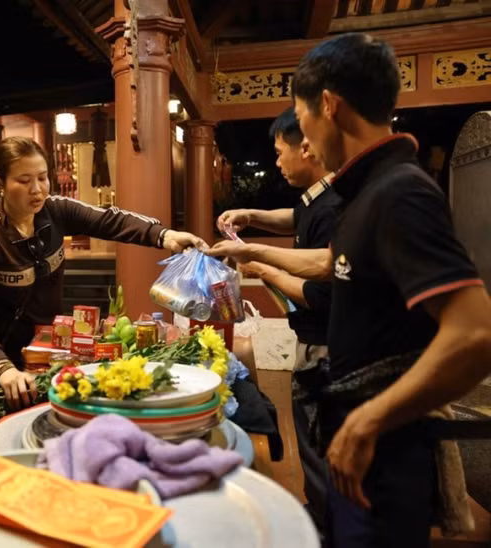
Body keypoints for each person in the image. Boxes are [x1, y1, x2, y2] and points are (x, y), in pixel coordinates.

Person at [207, 33, 491, 547]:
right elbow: (329, 264)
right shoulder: (365, 194)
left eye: (302, 112)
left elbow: (475, 333)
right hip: (361, 439)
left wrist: (367, 421)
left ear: (330, 106)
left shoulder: (400, 192)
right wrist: (251, 251)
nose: (305, 135)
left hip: (384, 446)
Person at [0, 137, 207, 410]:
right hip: (4, 360)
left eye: (42, 177)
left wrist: (164, 236)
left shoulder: (55, 210)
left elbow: (110, 219)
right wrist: (1, 365)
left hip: (48, 352)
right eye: (24, 180)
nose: (37, 189)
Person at [217, 106, 339, 530]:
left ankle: (324, 527)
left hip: (327, 349)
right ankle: (320, 514)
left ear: (306, 148)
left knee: (318, 446)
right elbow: (295, 216)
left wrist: (259, 266)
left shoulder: (334, 206)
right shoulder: (317, 199)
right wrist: (251, 218)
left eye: (279, 151)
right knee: (310, 443)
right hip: (318, 345)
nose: (277, 161)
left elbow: (318, 296)